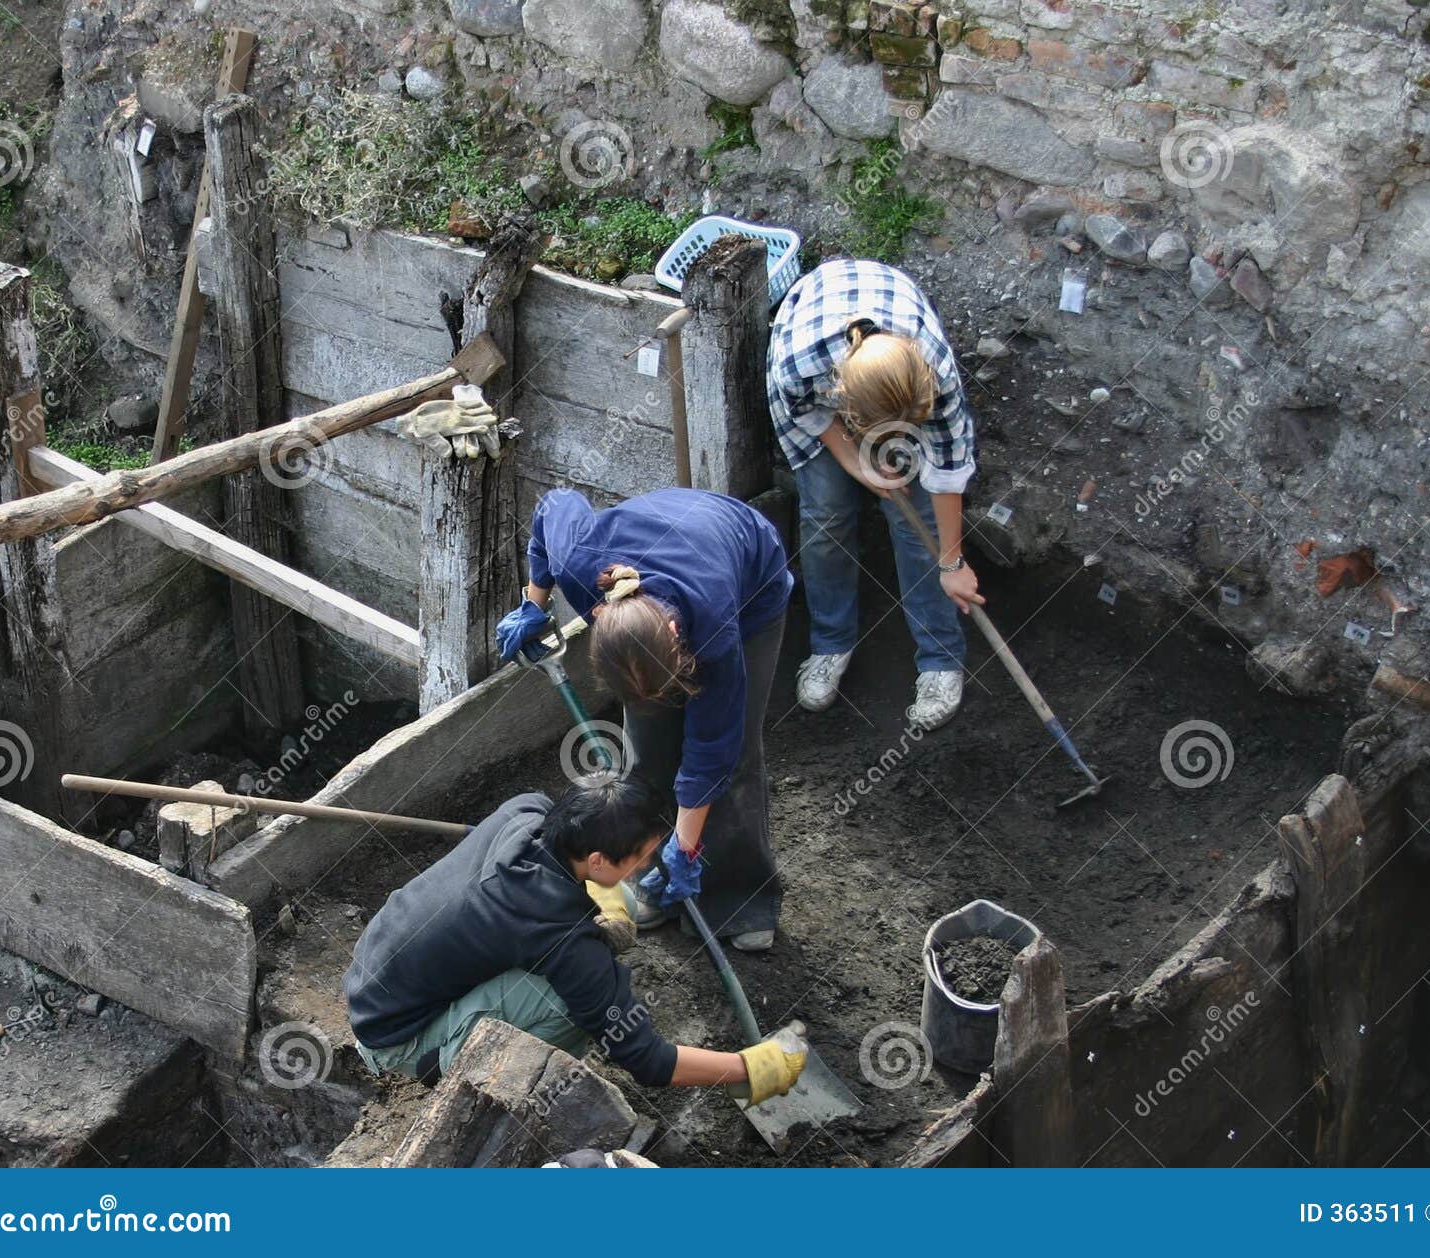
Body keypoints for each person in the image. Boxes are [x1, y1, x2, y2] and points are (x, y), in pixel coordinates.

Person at [343, 777, 804, 1107]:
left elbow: (592, 888)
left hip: (374, 975)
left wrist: (611, 909)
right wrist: (752, 1069)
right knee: (575, 1009)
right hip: (394, 1037)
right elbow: (644, 1057)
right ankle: (477, 1078)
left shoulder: (525, 809)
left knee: (617, 896)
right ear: (598, 857)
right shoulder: (560, 936)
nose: (650, 865)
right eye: (643, 857)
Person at [499, 486, 792, 951]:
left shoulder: (714, 625)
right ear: (599, 618)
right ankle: (654, 873)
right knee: (649, 749)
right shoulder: (580, 564)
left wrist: (688, 846)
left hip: (750, 577)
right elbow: (552, 504)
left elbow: (713, 747)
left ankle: (737, 901)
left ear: (678, 638)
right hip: (662, 555)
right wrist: (535, 604)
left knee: (734, 764)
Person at [767, 257, 985, 731]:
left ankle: (940, 657)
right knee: (826, 513)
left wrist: (953, 563)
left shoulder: (935, 371)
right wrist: (855, 462)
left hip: (886, 339)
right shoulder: (801, 364)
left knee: (918, 522)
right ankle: (830, 642)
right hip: (818, 377)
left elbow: (947, 469)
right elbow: (804, 409)